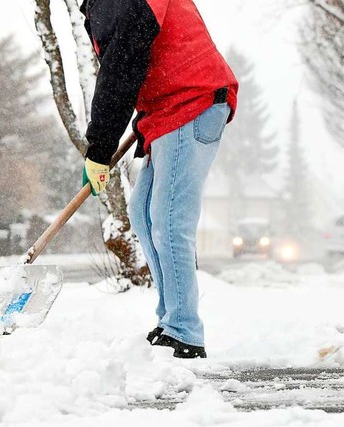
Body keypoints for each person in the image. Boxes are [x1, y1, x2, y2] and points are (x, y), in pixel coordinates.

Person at [80, 0, 238, 358]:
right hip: (170, 107)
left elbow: (121, 67)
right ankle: (171, 320)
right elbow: (139, 60)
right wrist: (140, 117)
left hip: (191, 101)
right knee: (143, 212)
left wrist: (99, 149)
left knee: (169, 220)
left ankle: (184, 331)